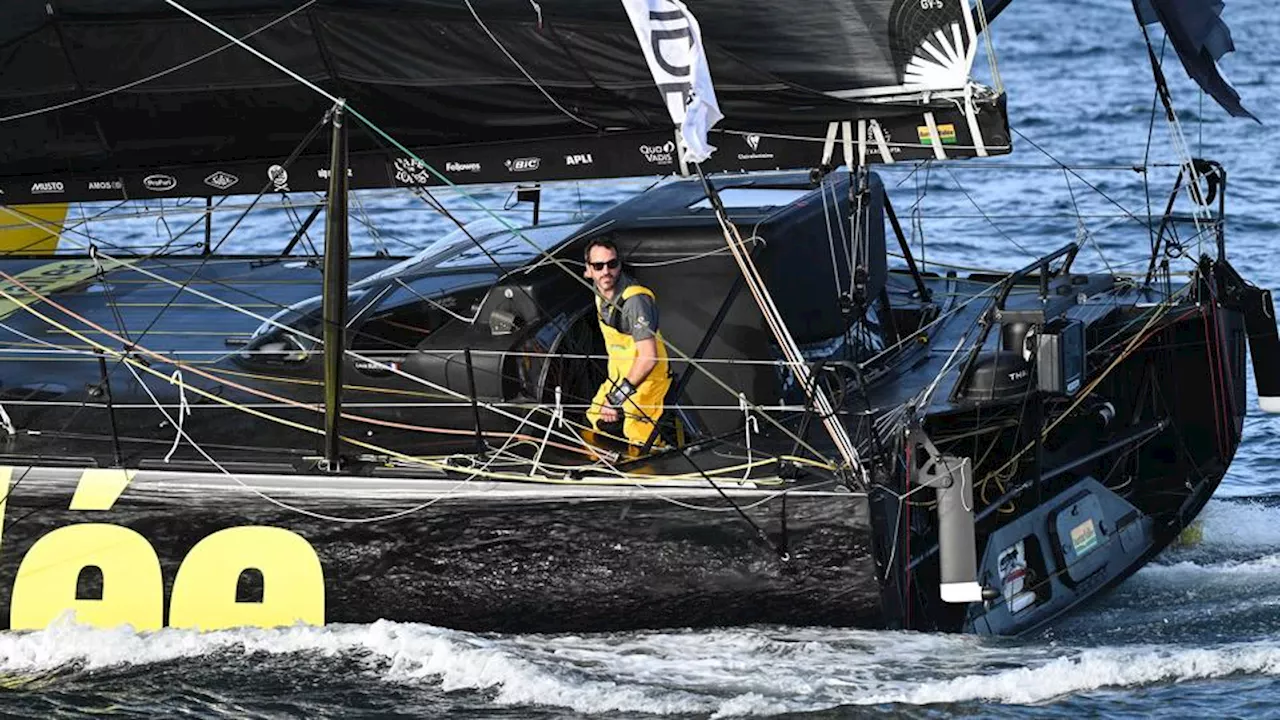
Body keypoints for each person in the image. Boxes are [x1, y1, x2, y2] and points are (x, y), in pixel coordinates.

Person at [582, 237, 671, 446]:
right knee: (592, 420)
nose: (606, 271)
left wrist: (616, 399)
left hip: (647, 380)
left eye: (612, 264)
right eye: (598, 266)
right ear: (588, 270)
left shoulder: (635, 301)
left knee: (639, 435)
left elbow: (649, 358)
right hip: (618, 377)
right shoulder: (599, 293)